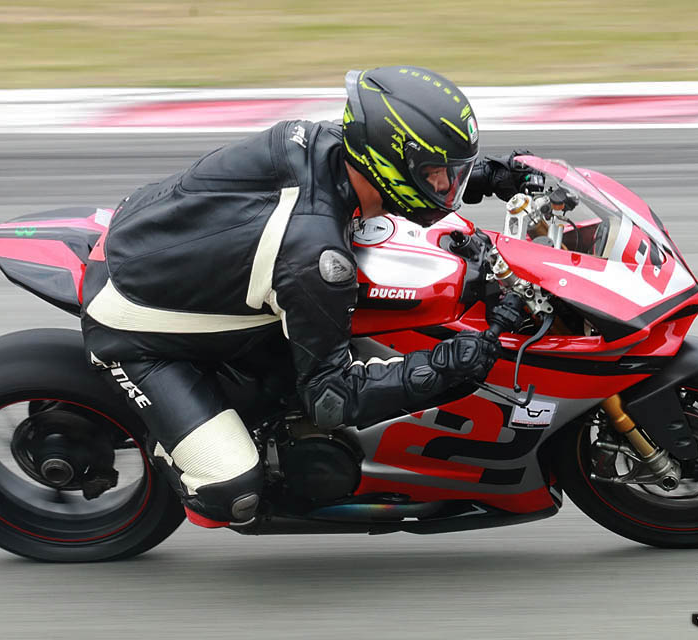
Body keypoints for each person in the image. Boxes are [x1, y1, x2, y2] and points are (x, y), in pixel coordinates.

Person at [79, 66, 534, 525]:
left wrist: (488, 176)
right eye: (439, 174)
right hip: (133, 324)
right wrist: (448, 364)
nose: (447, 186)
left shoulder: (329, 145)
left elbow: (400, 178)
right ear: (393, 165)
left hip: (164, 248)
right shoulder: (316, 260)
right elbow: (332, 400)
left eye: (452, 174)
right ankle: (170, 443)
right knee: (233, 491)